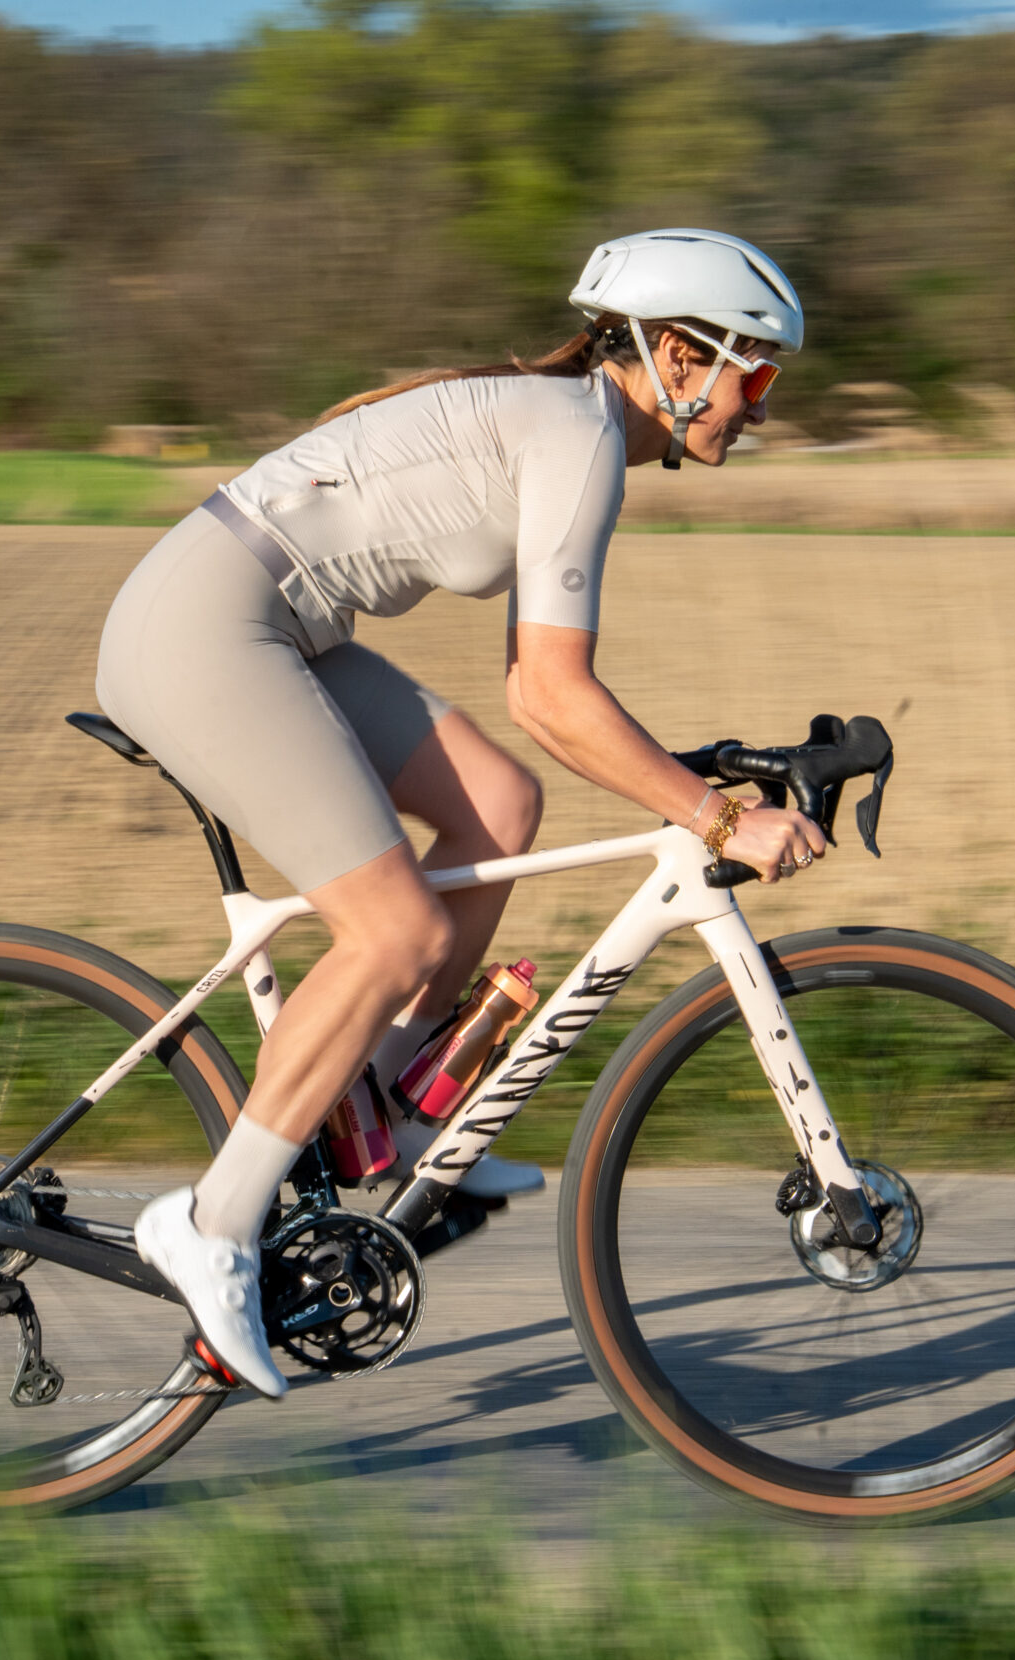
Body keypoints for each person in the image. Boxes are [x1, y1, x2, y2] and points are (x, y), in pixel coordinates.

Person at [97, 229, 827, 1397]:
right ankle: (212, 1224)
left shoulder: (576, 428)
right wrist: (715, 819)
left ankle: (387, 1111)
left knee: (498, 800)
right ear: (680, 357)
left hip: (272, 626)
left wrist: (692, 786)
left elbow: (536, 706)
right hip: (204, 630)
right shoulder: (579, 438)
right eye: (758, 375)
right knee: (394, 931)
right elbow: (553, 696)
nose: (764, 407)